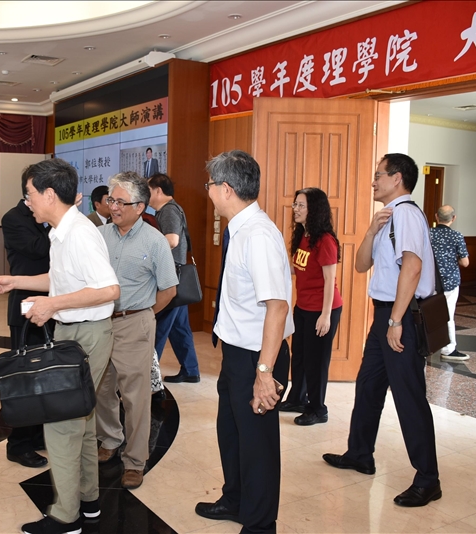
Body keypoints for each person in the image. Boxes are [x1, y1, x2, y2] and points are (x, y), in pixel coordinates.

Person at [0, 158, 120, 534]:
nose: (26, 200)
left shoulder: (78, 233)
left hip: (87, 334)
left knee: (62, 425)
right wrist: (15, 282)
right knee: (82, 419)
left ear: (49, 194)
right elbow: (61, 278)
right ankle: (88, 502)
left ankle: (66, 517)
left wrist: (53, 304)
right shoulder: (63, 231)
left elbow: (109, 289)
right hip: (76, 333)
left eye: (29, 193)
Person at [324, 153, 441, 508]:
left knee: (409, 396)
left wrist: (395, 322)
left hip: (400, 316)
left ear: (398, 178)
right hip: (385, 316)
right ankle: (360, 454)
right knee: (368, 386)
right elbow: (362, 265)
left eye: (379, 174)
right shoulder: (388, 217)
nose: (374, 181)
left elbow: (413, 268)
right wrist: (371, 231)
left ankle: (428, 479)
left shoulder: (406, 214)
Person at [195, 150, 293, 534]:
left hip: (259, 355)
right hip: (238, 353)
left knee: (257, 445)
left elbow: (278, 307)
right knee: (232, 432)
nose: (207, 192)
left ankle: (260, 524)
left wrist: (264, 373)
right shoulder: (239, 230)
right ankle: (235, 500)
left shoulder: (258, 235)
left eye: (209, 185)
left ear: (226, 189)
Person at [95, 172, 178, 490]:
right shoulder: (100, 236)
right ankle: (110, 439)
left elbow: (168, 290)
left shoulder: (155, 241)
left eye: (120, 202)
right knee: (101, 388)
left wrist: (143, 315)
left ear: (140, 206)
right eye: (111, 200)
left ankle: (135, 461)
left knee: (136, 397)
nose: (113, 207)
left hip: (135, 323)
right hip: (100, 323)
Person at [280, 187, 343, 426]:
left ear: (314, 209)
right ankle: (298, 398)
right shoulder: (303, 236)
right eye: (295, 204)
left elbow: (330, 280)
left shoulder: (325, 240)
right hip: (304, 307)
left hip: (323, 309)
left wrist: (325, 315)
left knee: (316, 361)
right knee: (300, 357)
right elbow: (299, 268)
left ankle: (318, 409)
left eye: (301, 205)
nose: (295, 209)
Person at [0, 184, 52, 468]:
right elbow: (37, 249)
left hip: (51, 304)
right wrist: (58, 222)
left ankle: (37, 435)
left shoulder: (45, 218)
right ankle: (19, 444)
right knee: (25, 378)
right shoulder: (14, 218)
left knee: (46, 375)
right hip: (25, 306)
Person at [147, 173, 201, 383]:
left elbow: (172, 240)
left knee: (159, 327)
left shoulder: (168, 210)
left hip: (170, 278)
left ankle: (149, 376)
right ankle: (190, 370)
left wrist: (147, 249)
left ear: (158, 191)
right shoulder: (171, 209)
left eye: (148, 190)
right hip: (176, 277)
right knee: (179, 328)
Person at [430, 205, 470, 362]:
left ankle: (424, 346)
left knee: (426, 313)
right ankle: (449, 349)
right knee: (448, 315)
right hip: (450, 282)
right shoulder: (456, 236)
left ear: (436, 216)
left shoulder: (428, 233)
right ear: (453, 218)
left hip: (430, 281)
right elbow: (465, 262)